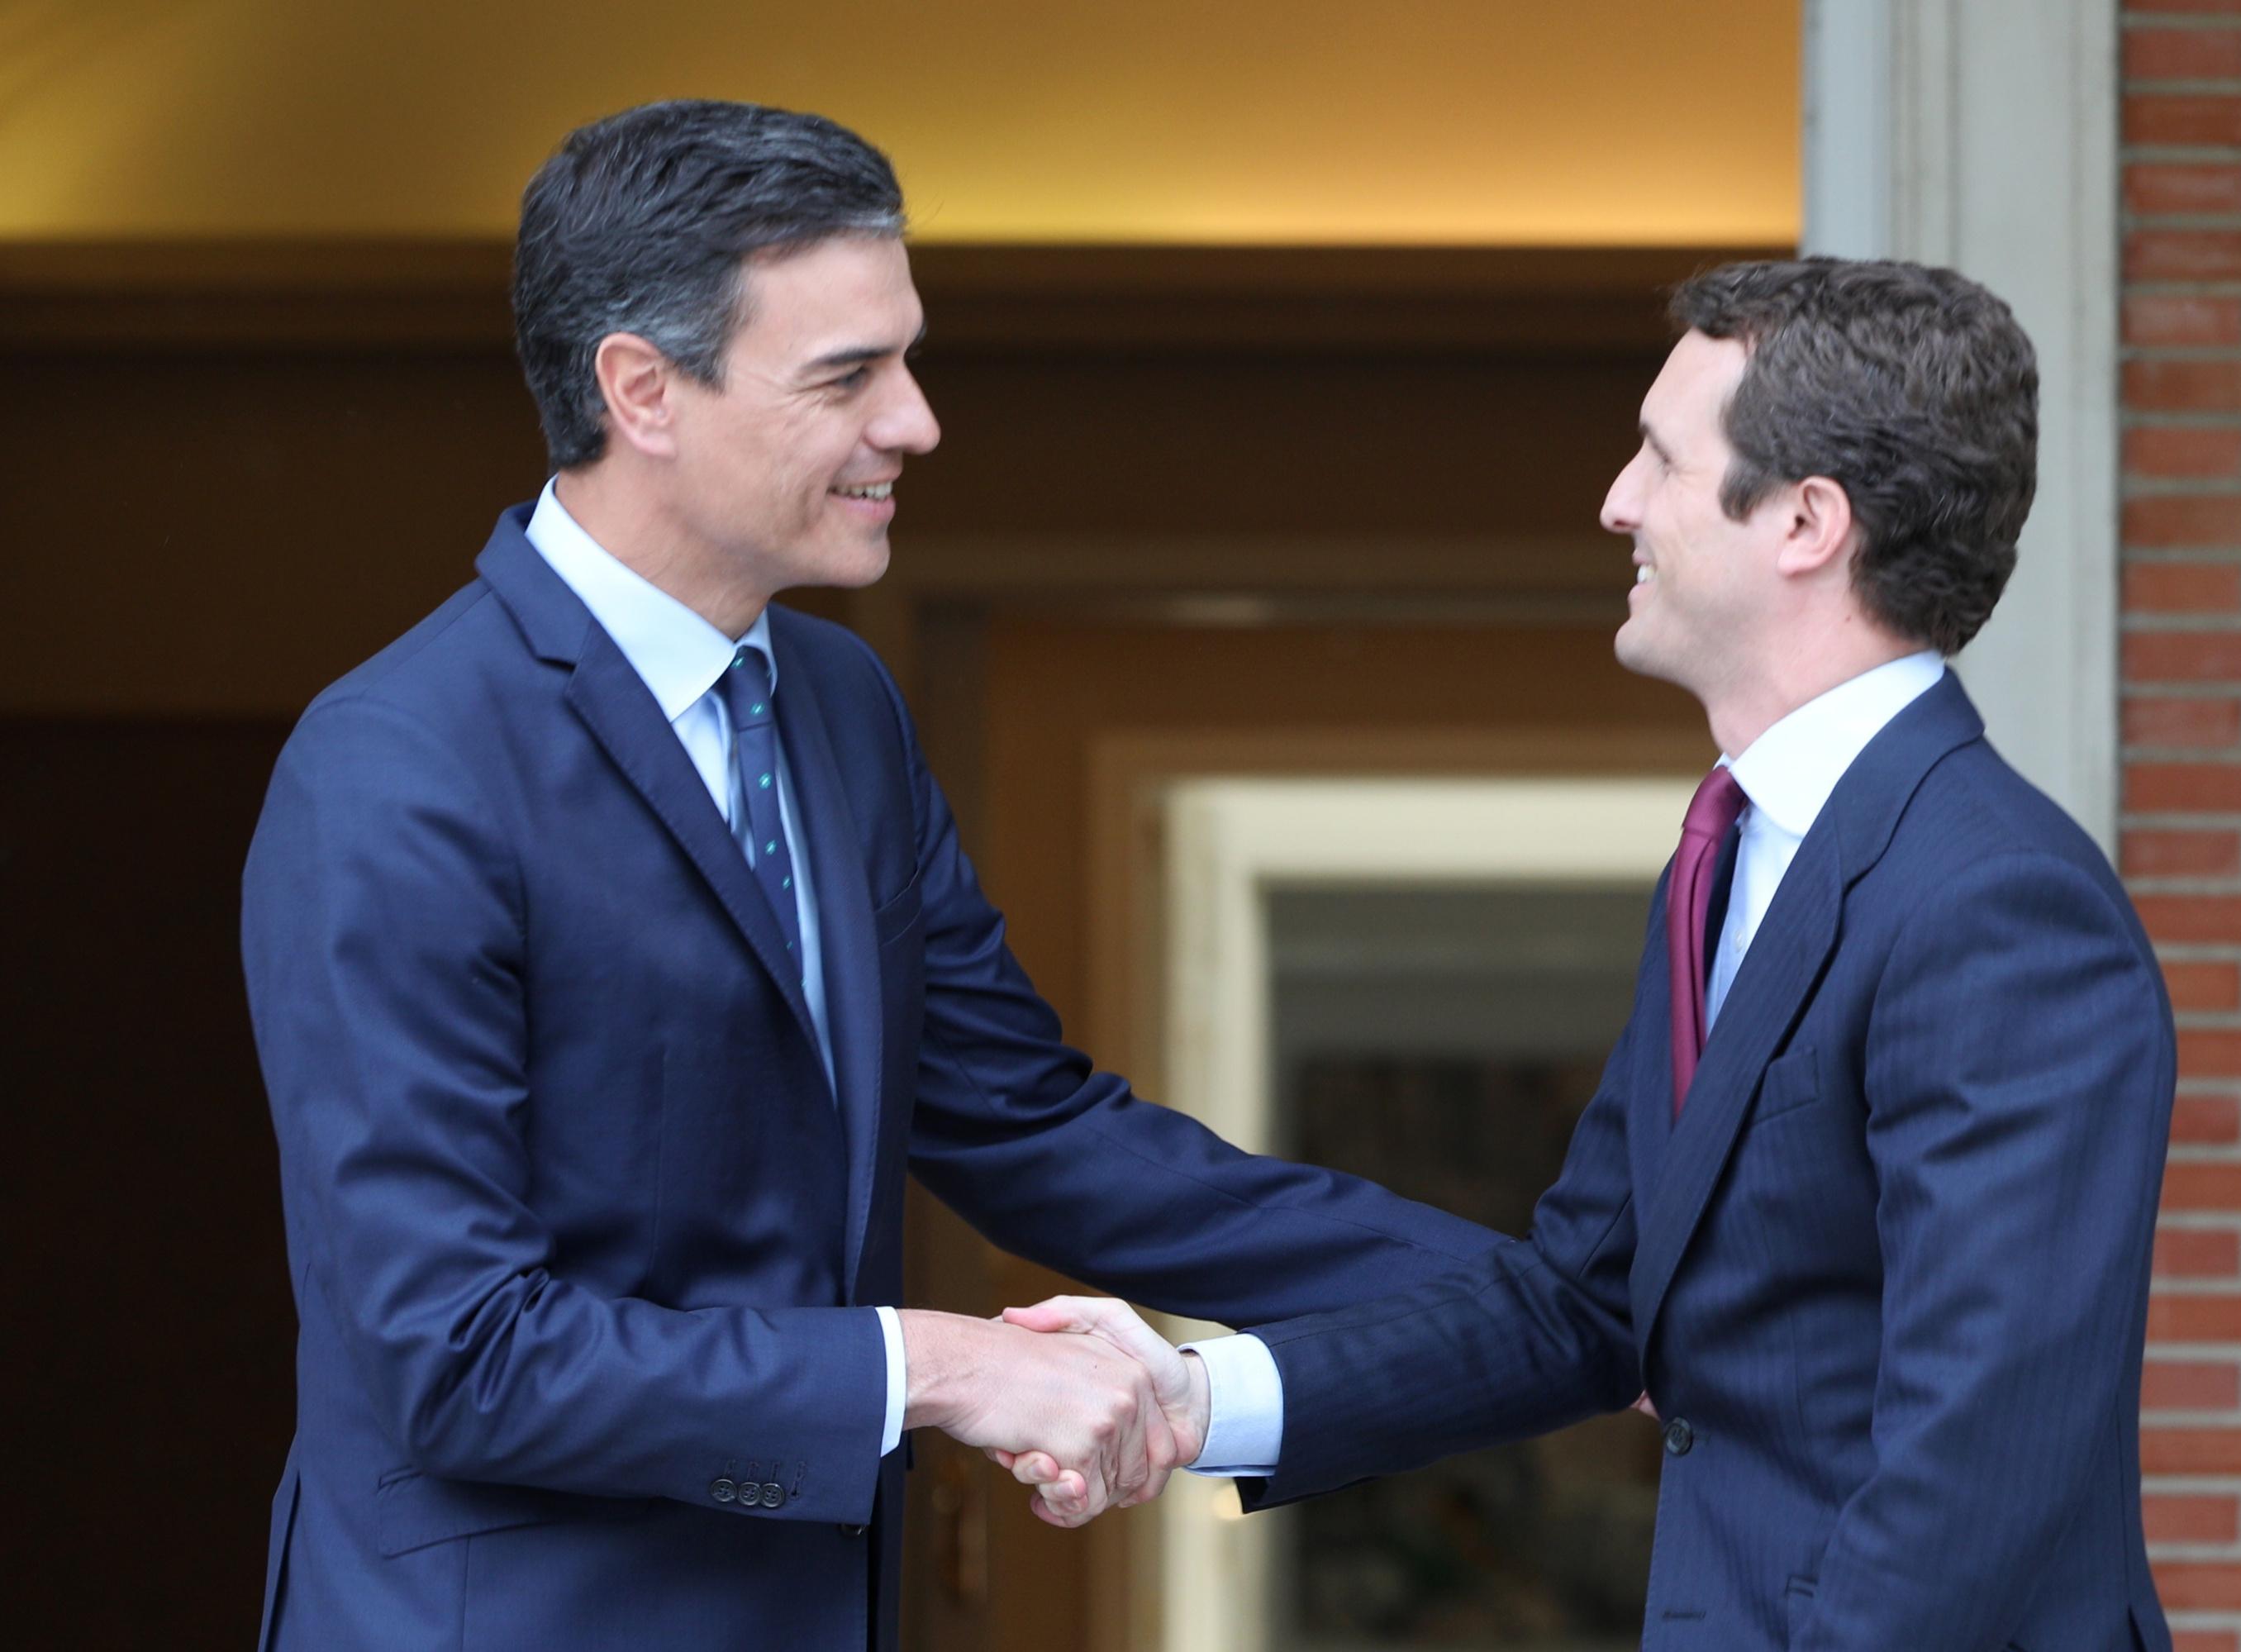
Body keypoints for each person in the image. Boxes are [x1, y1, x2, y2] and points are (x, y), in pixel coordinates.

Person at [239, 99, 1503, 1652]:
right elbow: (455, 1356)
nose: (916, 422)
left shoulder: (839, 709)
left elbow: (1037, 1133)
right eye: (848, 376)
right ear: (640, 388)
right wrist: (942, 1365)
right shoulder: (398, 763)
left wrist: (1543, 1310)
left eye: (905, 359)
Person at [1011, 259, 2179, 1651]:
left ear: (1807, 521)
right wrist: (1202, 1400)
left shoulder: (1998, 903)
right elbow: (1585, 1301)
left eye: (1662, 459)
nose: (1616, 501)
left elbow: (1979, 1472)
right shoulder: (1735, 857)